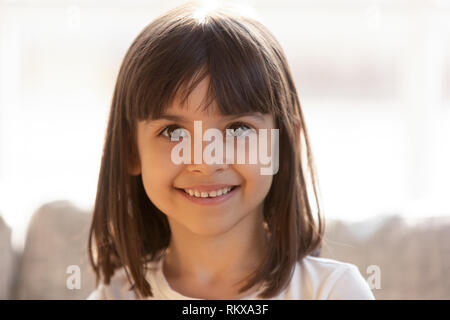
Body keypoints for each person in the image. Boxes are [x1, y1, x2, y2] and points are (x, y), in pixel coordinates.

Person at [86, 0, 375, 300]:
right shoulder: (113, 297)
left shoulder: (333, 292)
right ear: (131, 149)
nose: (207, 162)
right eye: (174, 132)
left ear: (283, 145)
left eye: (238, 129)